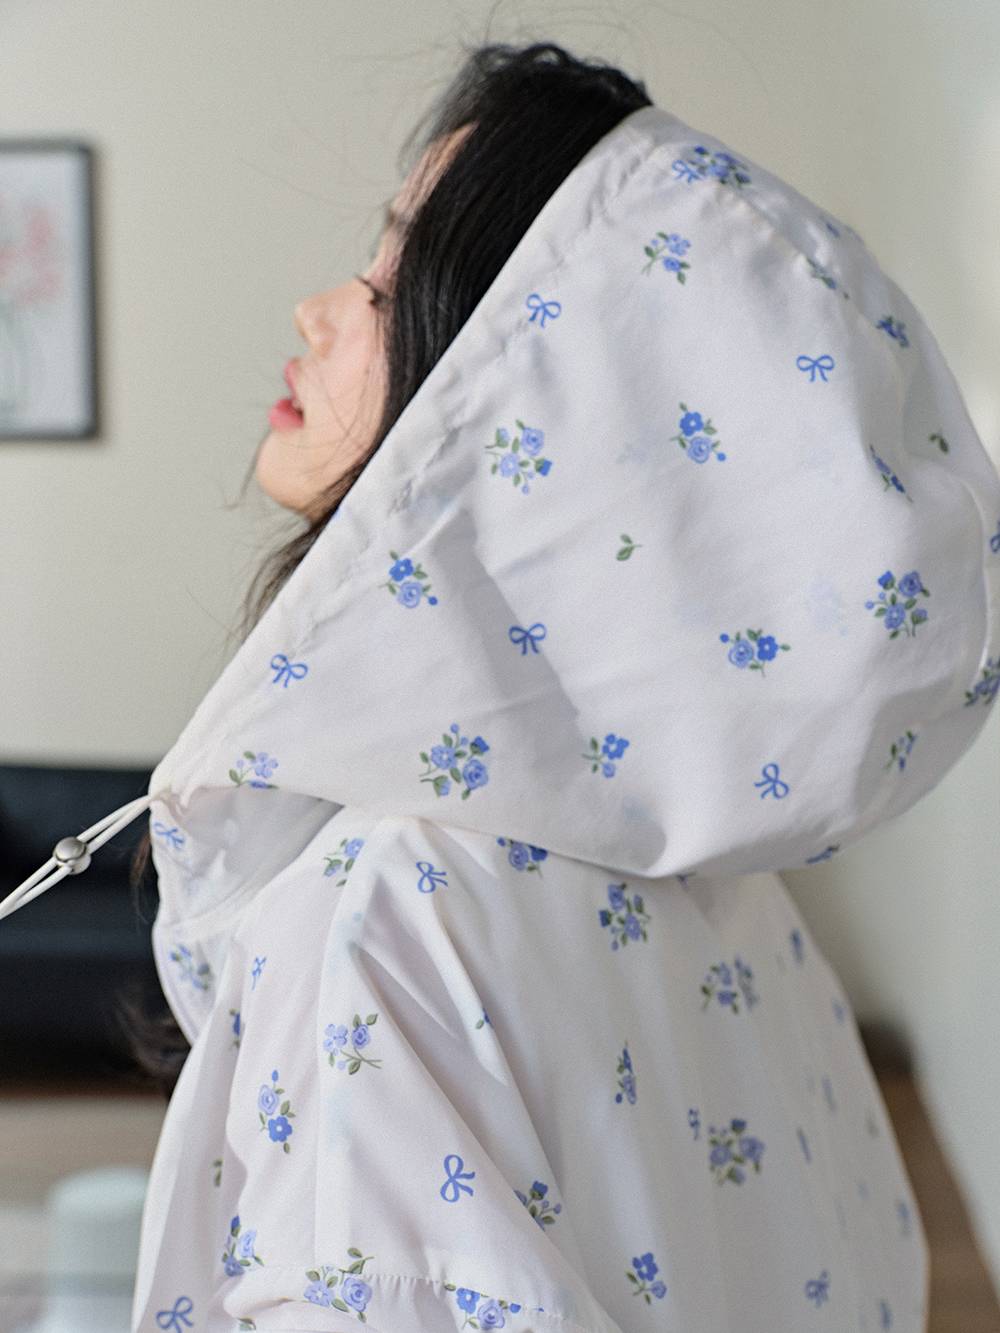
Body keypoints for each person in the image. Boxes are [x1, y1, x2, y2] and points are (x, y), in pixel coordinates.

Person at [5, 36, 1000, 1333]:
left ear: (536, 408)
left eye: (388, 274)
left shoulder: (382, 911)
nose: (320, 309)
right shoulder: (747, 914)